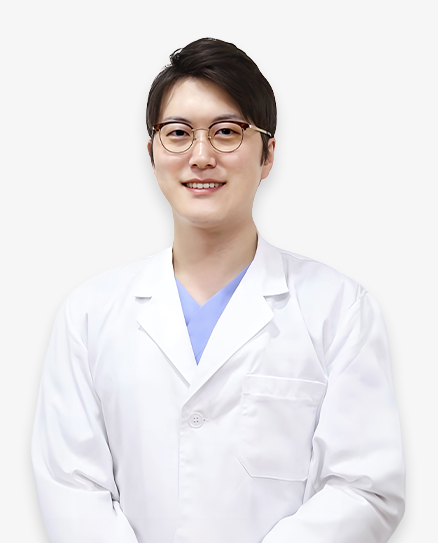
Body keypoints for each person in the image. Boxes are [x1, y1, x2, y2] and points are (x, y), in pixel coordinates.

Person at [31, 38, 405, 543]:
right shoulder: (89, 315)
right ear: (152, 153)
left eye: (227, 132)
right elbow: (71, 488)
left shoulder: (339, 309)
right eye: (178, 134)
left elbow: (364, 489)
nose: (201, 156)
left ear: (268, 154)